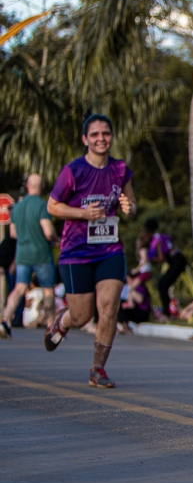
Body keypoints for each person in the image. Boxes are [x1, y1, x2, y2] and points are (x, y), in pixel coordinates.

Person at [42, 114, 136, 389]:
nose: (100, 139)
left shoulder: (120, 169)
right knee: (81, 316)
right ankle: (62, 323)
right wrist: (83, 213)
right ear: (85, 139)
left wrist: (129, 208)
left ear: (112, 137)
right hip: (76, 252)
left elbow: (131, 205)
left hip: (110, 250)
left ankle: (97, 369)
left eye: (105, 133)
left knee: (108, 308)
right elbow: (52, 206)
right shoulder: (73, 170)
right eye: (94, 134)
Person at [2, 173, 57, 336]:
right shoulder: (42, 206)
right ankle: (51, 326)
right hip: (41, 254)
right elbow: (48, 232)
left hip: (22, 254)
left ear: (27, 186)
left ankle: (5, 319)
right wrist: (57, 239)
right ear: (43, 187)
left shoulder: (18, 207)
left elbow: (13, 233)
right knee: (48, 290)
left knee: (19, 288)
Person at [143, 219, 188, 317]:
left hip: (177, 261)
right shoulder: (159, 237)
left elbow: (161, 258)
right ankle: (167, 310)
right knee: (163, 284)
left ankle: (166, 312)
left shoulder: (156, 240)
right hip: (175, 261)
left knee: (163, 284)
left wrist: (150, 258)